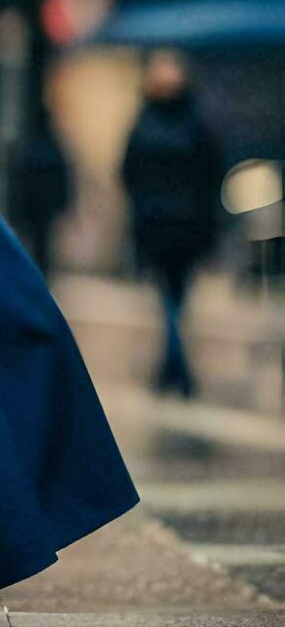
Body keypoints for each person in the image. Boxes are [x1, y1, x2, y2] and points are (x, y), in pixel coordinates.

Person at [122, 50, 223, 398]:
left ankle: (172, 366)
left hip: (164, 228)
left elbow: (129, 176)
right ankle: (175, 367)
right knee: (175, 301)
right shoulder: (195, 125)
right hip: (179, 228)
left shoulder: (146, 124)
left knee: (170, 301)